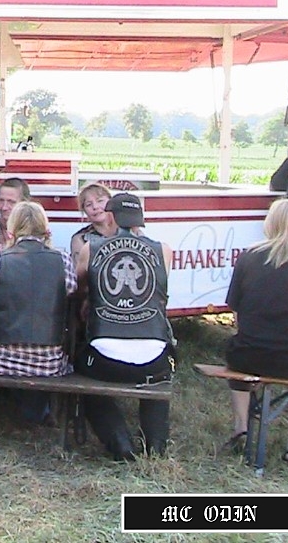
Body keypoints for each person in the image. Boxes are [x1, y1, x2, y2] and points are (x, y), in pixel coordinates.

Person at [75, 192, 175, 460]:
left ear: (111, 217)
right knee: (159, 377)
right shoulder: (164, 250)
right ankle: (156, 447)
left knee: (82, 375)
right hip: (154, 359)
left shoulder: (90, 248)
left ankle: (120, 444)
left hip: (104, 359)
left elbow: (80, 289)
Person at [223, 198, 288, 464]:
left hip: (250, 355)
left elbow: (237, 314)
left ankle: (241, 429)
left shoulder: (249, 257)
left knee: (235, 354)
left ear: (271, 222)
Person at [0, 201, 77, 376]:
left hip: (2, 361)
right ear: (45, 228)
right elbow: (70, 289)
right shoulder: (63, 260)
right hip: (50, 363)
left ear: (12, 229)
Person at [70, 182, 118, 263]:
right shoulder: (80, 239)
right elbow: (80, 270)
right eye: (89, 205)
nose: (95, 207)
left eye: (100, 201)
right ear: (84, 210)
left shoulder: (128, 231)